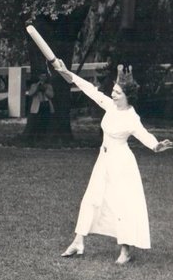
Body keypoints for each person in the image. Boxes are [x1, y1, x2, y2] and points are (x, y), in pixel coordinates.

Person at [53, 62, 172, 264]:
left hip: (121, 163)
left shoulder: (132, 118)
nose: (113, 94)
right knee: (91, 198)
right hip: (104, 159)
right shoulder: (110, 105)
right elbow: (90, 90)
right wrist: (68, 74)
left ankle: (125, 251)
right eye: (113, 91)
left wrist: (156, 145)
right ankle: (78, 242)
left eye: (117, 92)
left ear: (127, 96)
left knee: (122, 204)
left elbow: (144, 135)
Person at [26, 73, 55, 140]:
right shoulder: (34, 85)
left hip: (46, 104)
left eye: (45, 76)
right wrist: (37, 88)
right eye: (42, 76)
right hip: (38, 105)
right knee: (37, 122)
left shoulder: (49, 86)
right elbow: (30, 94)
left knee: (45, 122)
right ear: (39, 77)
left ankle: (44, 137)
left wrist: (45, 89)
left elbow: (52, 95)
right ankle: (36, 137)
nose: (43, 78)